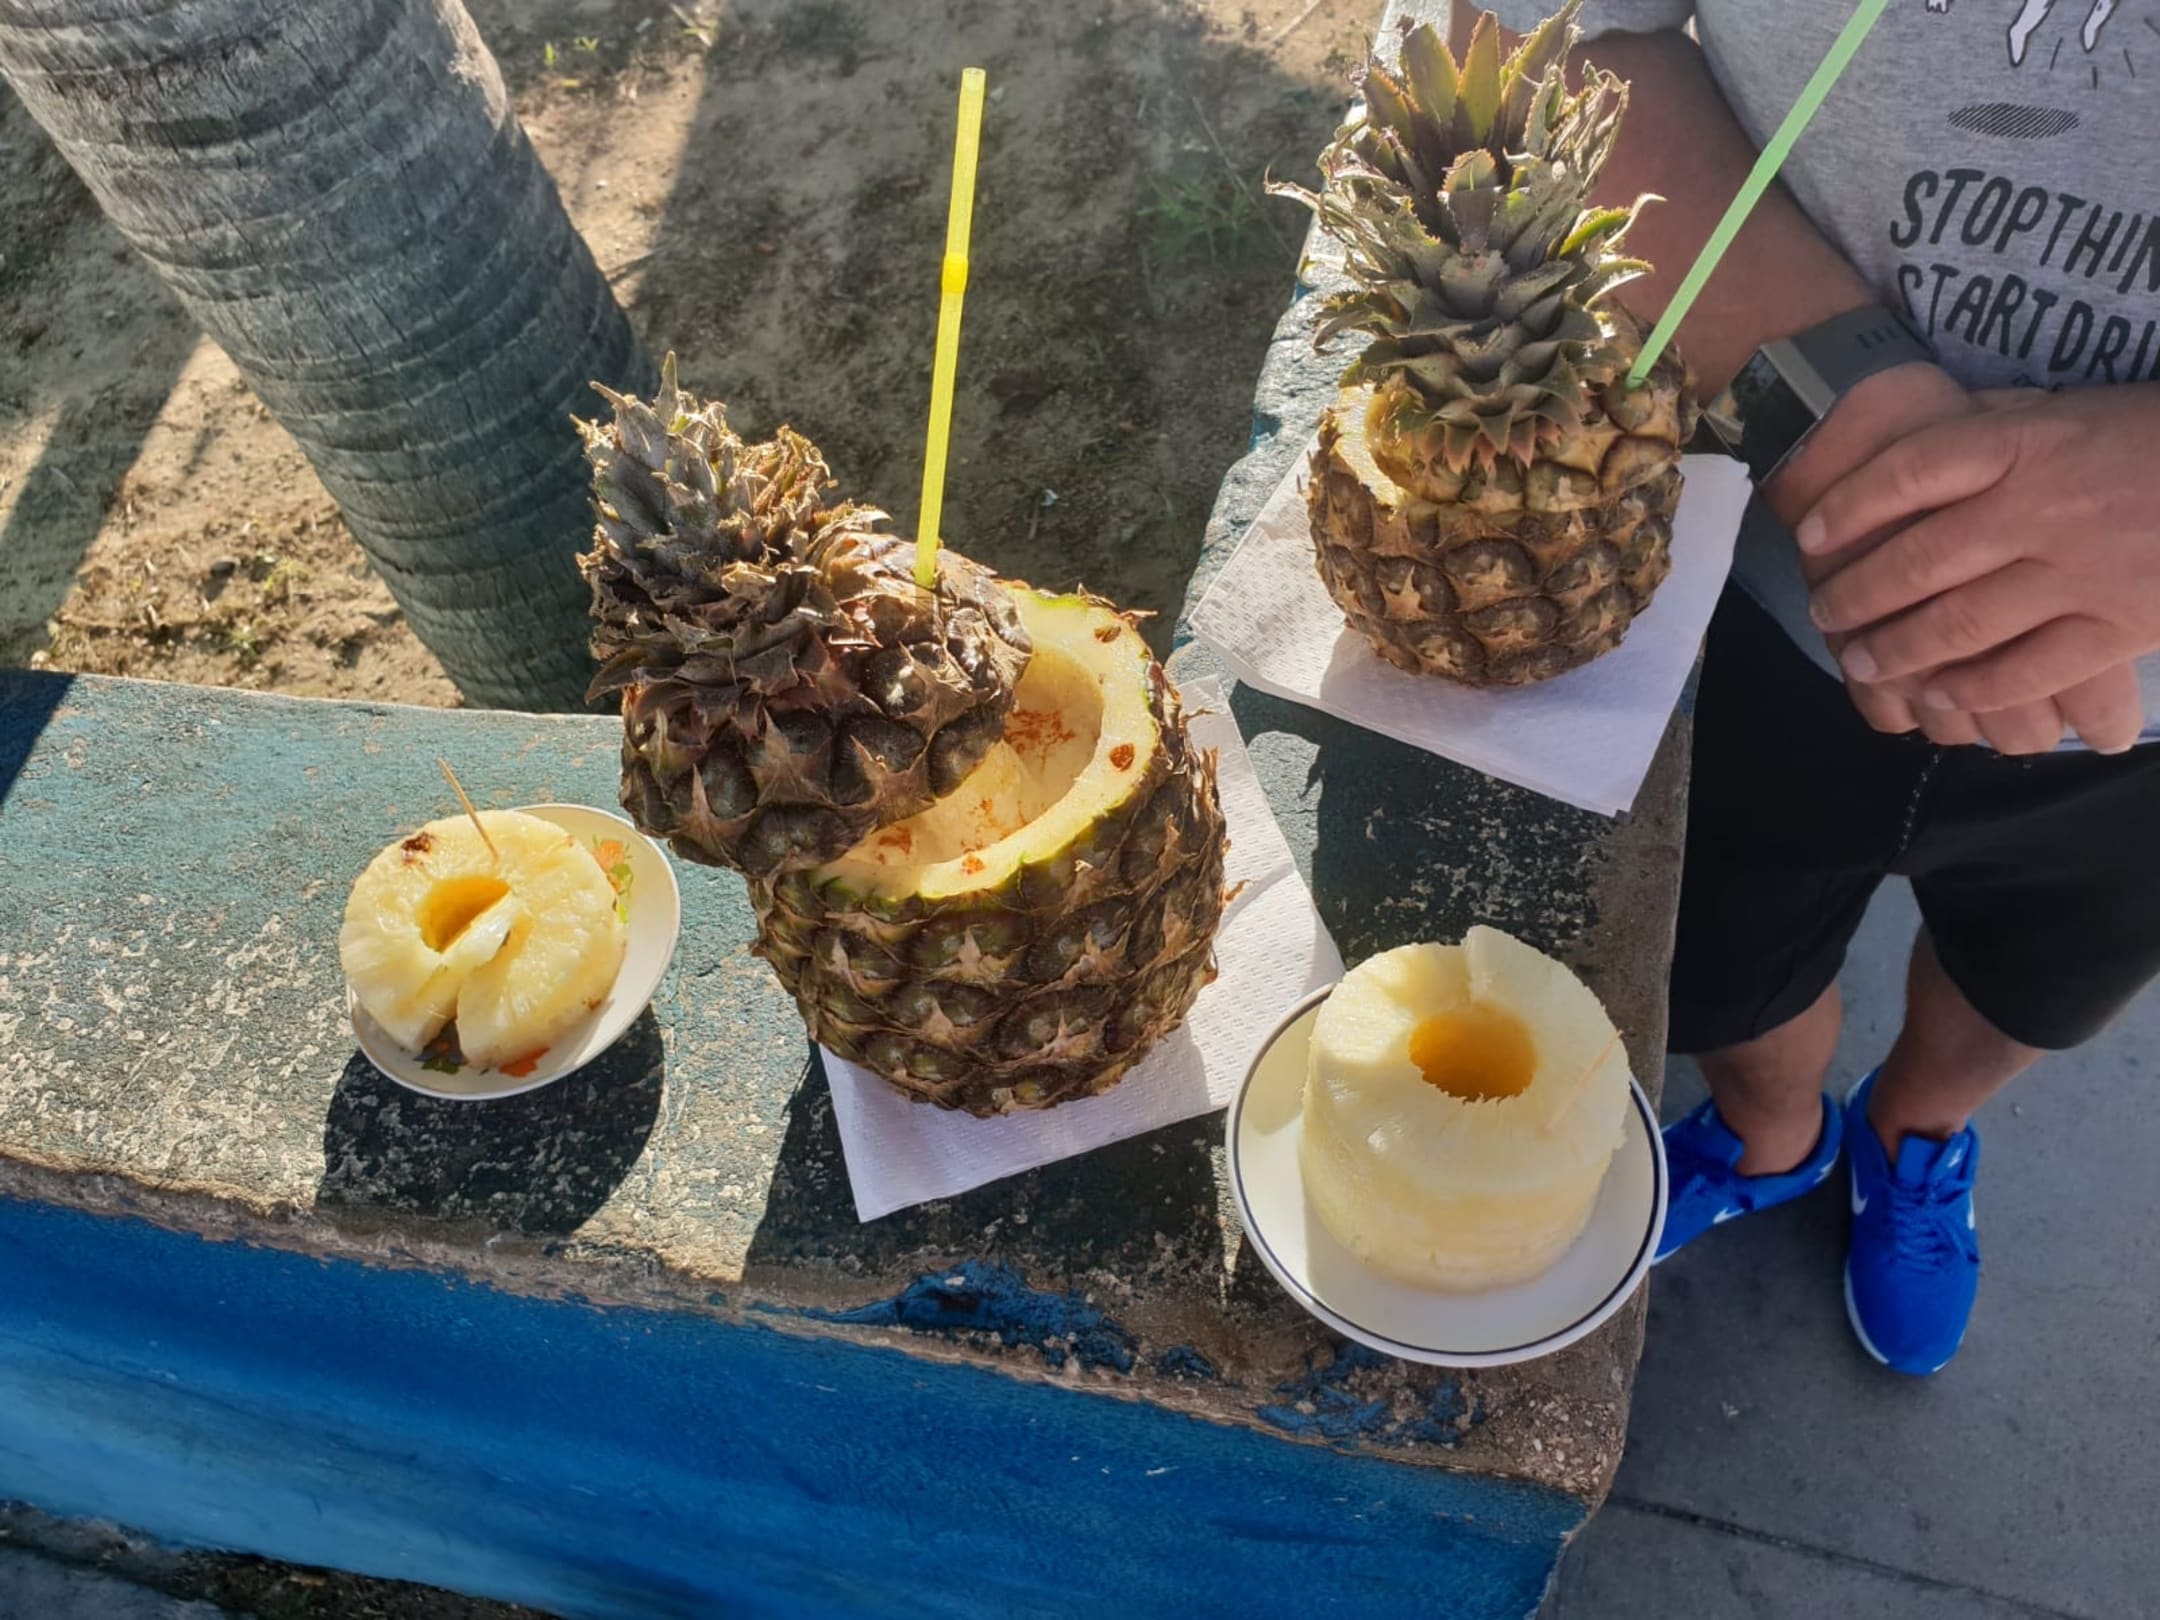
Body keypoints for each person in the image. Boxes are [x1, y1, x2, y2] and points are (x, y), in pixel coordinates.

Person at [1482, 0, 2160, 1374]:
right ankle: (1771, 1134)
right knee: (1723, 965)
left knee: (2039, 984)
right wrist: (1836, 406)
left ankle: (1916, 1136)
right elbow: (1539, 38)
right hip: (1749, 594)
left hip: (2136, 735)